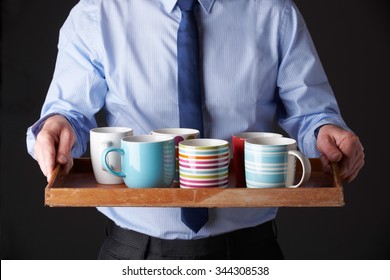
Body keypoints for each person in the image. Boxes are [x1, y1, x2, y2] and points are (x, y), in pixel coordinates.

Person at [26, 0, 364, 260]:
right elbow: (69, 113)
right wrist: (57, 127)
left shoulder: (274, 11)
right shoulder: (97, 12)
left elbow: (312, 114)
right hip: (132, 254)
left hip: (250, 252)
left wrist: (326, 131)